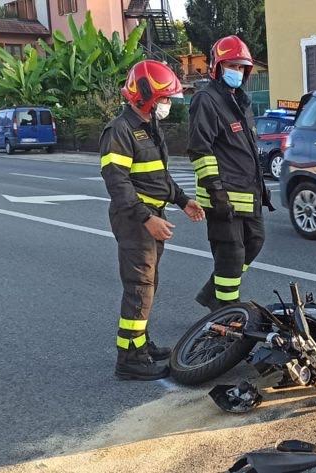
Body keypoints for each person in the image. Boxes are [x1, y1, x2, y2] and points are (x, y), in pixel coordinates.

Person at [101, 59, 206, 381]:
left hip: (150, 214)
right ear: (144, 96)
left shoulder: (148, 125)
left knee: (147, 285)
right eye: (163, 99)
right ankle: (129, 359)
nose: (167, 105)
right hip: (135, 219)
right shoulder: (119, 130)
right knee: (139, 287)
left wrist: (182, 199)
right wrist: (147, 219)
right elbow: (117, 182)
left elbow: (158, 176)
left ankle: (140, 343)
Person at [188, 35, 273, 312]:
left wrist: (261, 187)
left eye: (241, 67)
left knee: (255, 242)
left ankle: (214, 293)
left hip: (247, 192)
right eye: (232, 66)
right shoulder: (206, 100)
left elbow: (246, 148)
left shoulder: (241, 101)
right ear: (217, 66)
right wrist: (216, 192)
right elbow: (201, 150)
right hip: (223, 196)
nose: (237, 71)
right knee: (231, 252)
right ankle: (226, 310)